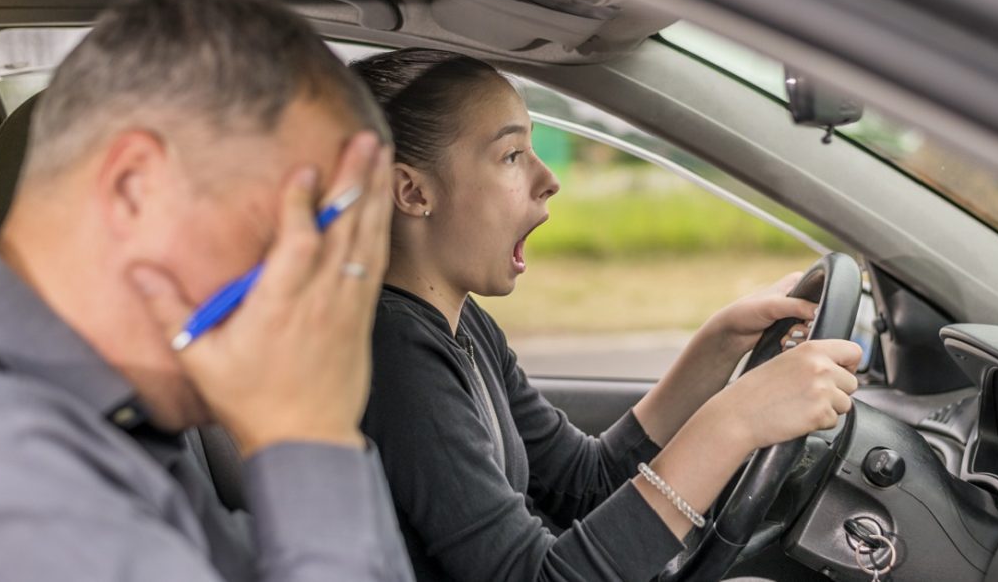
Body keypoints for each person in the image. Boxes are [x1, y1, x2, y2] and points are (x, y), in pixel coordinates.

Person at [0, 0, 413, 581]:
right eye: (299, 238)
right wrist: (307, 436)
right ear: (134, 188)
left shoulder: (117, 423)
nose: (319, 297)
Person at [355, 48, 862, 582]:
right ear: (413, 191)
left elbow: (584, 482)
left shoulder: (461, 325)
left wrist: (723, 340)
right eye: (511, 156)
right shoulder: (394, 352)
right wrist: (735, 423)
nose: (548, 177)